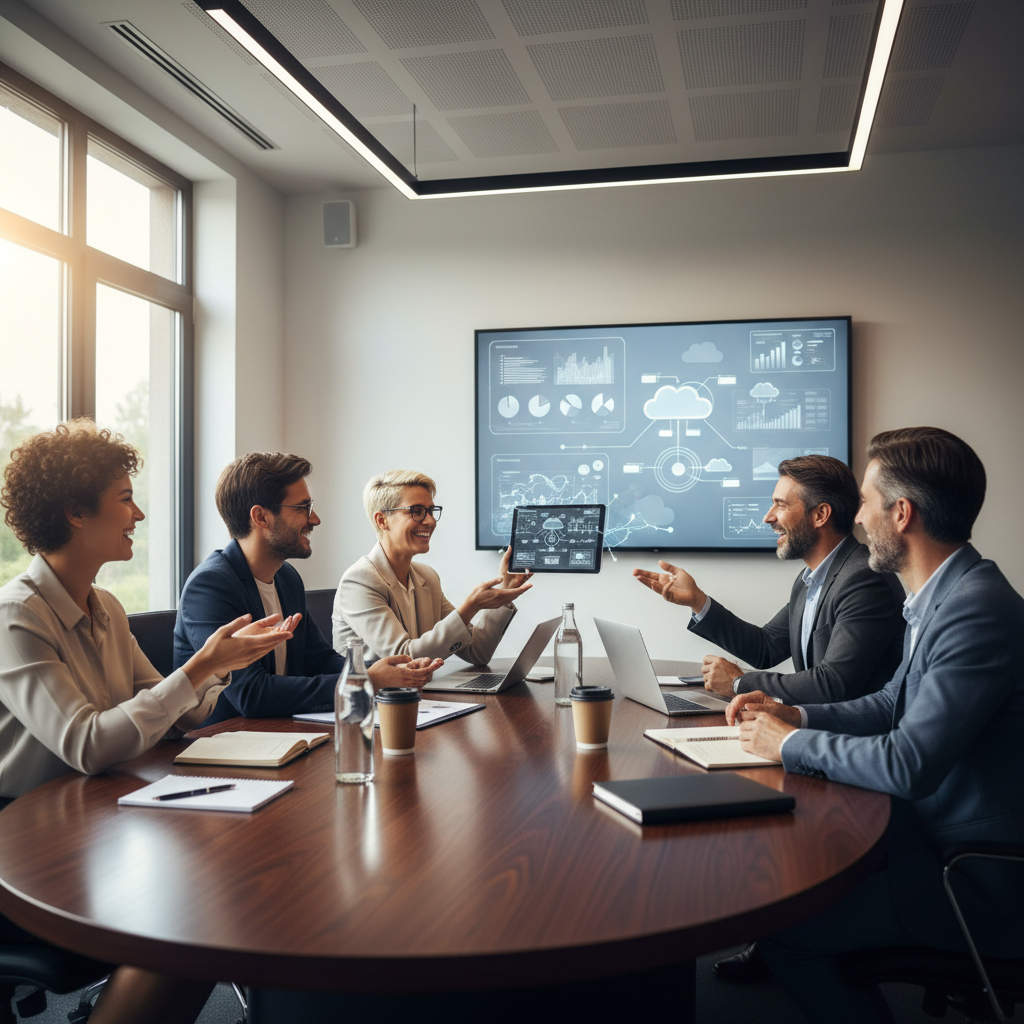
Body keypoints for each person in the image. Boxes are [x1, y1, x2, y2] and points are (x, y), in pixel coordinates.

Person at [727, 427, 1024, 1024]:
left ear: (902, 512)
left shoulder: (975, 609)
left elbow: (909, 764)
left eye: (864, 502)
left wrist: (791, 744)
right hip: (929, 838)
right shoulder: (947, 594)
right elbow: (892, 701)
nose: (858, 519)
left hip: (971, 875)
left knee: (783, 926)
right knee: (794, 857)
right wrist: (796, 713)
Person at [0, 420, 293, 1024]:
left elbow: (179, 710)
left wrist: (227, 669)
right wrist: (199, 668)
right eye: (124, 498)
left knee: (227, 889)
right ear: (76, 512)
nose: (138, 514)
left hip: (93, 820)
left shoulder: (105, 605)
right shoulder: (16, 618)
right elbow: (86, 743)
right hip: (26, 845)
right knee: (196, 915)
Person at [175, 454, 440, 726]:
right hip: (224, 746)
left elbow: (320, 660)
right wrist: (366, 681)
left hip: (283, 734)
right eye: (303, 507)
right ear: (261, 517)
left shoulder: (287, 577)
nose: (315, 519)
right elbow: (251, 694)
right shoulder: (209, 586)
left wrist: (385, 672)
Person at [633, 455, 906, 705]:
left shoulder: (864, 579)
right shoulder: (810, 580)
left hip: (851, 743)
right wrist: (698, 601)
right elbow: (765, 648)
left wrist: (739, 683)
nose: (768, 517)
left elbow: (833, 684)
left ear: (820, 515)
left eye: (781, 504)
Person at [333, 470, 532, 663]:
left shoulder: (427, 576)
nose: (429, 521)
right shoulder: (359, 581)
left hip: (420, 693)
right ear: (382, 520)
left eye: (430, 511)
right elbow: (404, 659)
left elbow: (477, 652)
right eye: (417, 512)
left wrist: (505, 587)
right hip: (374, 697)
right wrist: (470, 607)